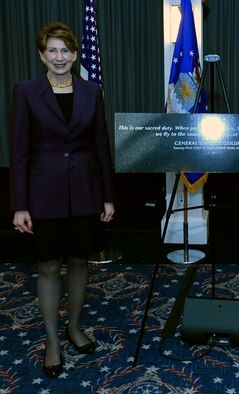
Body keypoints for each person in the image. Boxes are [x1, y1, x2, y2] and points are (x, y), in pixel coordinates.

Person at [9, 22, 115, 378]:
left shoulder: (91, 91)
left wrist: (108, 197)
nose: (59, 57)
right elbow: (20, 151)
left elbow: (101, 146)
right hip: (43, 195)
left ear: (74, 54)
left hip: (86, 192)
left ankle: (74, 326)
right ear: (42, 55)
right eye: (51, 50)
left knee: (80, 261)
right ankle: (53, 340)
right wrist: (19, 204)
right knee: (49, 266)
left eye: (65, 51)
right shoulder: (26, 92)